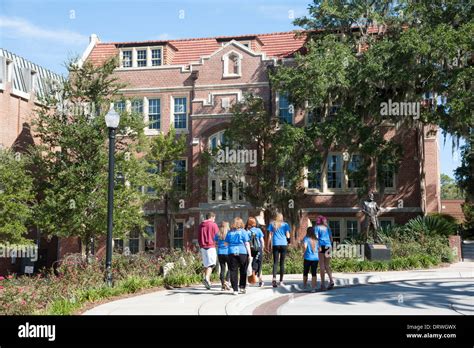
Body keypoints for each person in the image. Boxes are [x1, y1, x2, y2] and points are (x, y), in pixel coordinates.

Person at [225, 217, 251, 295]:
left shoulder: (229, 232)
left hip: (231, 252)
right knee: (243, 270)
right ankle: (242, 287)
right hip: (242, 252)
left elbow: (226, 243)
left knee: (233, 270)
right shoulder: (244, 232)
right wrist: (249, 254)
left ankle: (235, 289)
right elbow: (247, 243)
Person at [267, 213, 291, 288]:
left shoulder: (272, 224)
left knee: (275, 262)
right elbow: (287, 234)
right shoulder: (285, 224)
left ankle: (274, 279)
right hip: (283, 244)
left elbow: (270, 236)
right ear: (282, 217)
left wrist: (268, 245)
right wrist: (288, 241)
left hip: (276, 244)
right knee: (282, 263)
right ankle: (281, 281)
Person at [198, 212, 219, 290]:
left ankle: (208, 281)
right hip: (211, 246)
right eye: (214, 218)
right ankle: (206, 278)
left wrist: (201, 245)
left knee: (206, 264)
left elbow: (199, 236)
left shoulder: (201, 225)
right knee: (212, 264)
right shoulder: (213, 225)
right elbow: (217, 236)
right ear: (212, 217)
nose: (214, 220)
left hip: (203, 247)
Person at [315, 215, 335, 290]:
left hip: (321, 246)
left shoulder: (317, 228)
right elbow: (331, 239)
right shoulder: (328, 228)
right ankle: (331, 280)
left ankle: (323, 284)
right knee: (327, 265)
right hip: (328, 246)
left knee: (322, 265)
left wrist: (318, 246)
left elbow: (316, 238)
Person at [246, 217, 265, 287]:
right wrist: (262, 248)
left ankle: (248, 281)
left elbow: (246, 242)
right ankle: (261, 281)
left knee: (249, 264)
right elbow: (262, 241)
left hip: (250, 250)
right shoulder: (258, 230)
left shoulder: (247, 232)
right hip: (258, 249)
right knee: (259, 264)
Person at [215, 221, 231, 291]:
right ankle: (227, 282)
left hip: (220, 253)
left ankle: (222, 285)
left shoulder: (217, 234)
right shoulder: (229, 234)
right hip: (227, 252)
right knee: (230, 268)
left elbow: (215, 243)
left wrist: (218, 245)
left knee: (222, 269)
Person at [303, 226, 319, 292]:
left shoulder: (306, 238)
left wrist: (303, 252)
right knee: (314, 273)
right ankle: (313, 288)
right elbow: (320, 249)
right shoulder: (316, 240)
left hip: (307, 257)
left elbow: (305, 246)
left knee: (305, 271)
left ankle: (304, 285)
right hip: (315, 258)